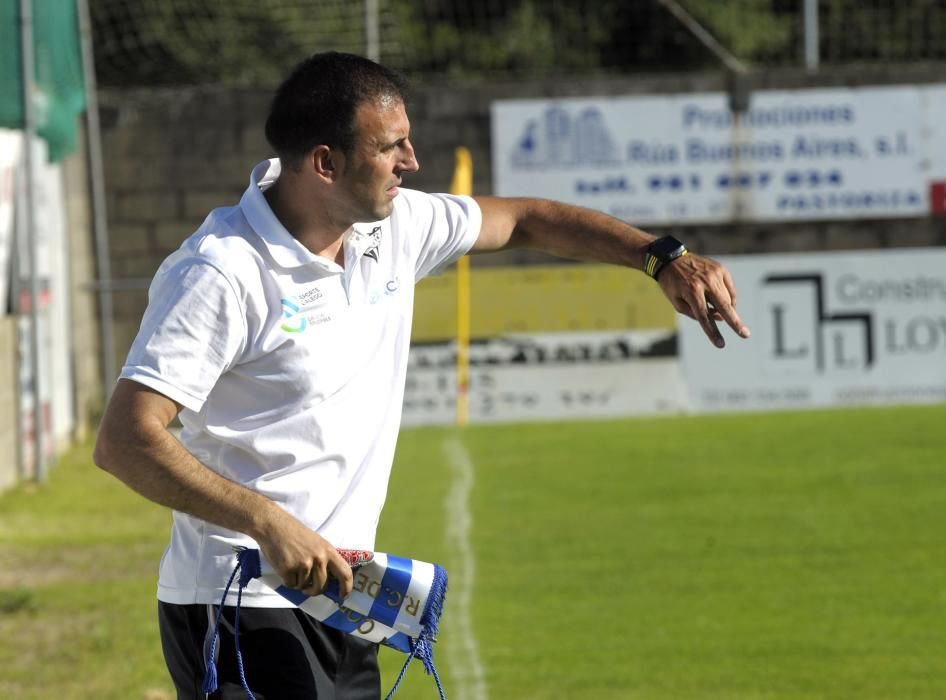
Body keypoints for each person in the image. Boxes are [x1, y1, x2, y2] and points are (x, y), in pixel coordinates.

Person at [93, 51, 750, 699]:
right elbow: (125, 440)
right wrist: (268, 521)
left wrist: (660, 257)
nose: (413, 162)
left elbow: (523, 220)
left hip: (348, 601)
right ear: (326, 163)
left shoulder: (394, 227)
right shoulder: (220, 272)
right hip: (241, 605)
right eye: (393, 147)